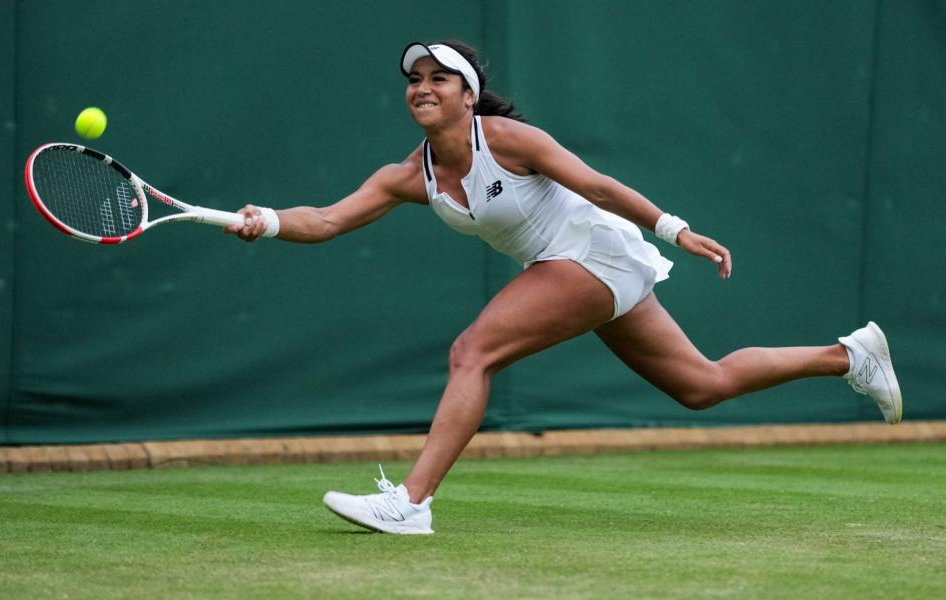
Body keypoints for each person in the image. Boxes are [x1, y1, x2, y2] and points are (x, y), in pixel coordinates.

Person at [226, 41, 902, 535]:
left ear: (468, 93)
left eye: (439, 77)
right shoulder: (411, 174)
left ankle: (412, 501)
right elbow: (330, 220)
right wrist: (270, 221)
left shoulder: (510, 139)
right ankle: (851, 356)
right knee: (704, 384)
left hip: (593, 252)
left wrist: (677, 230)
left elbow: (598, 186)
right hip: (565, 268)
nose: (421, 87)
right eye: (413, 79)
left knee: (473, 352)